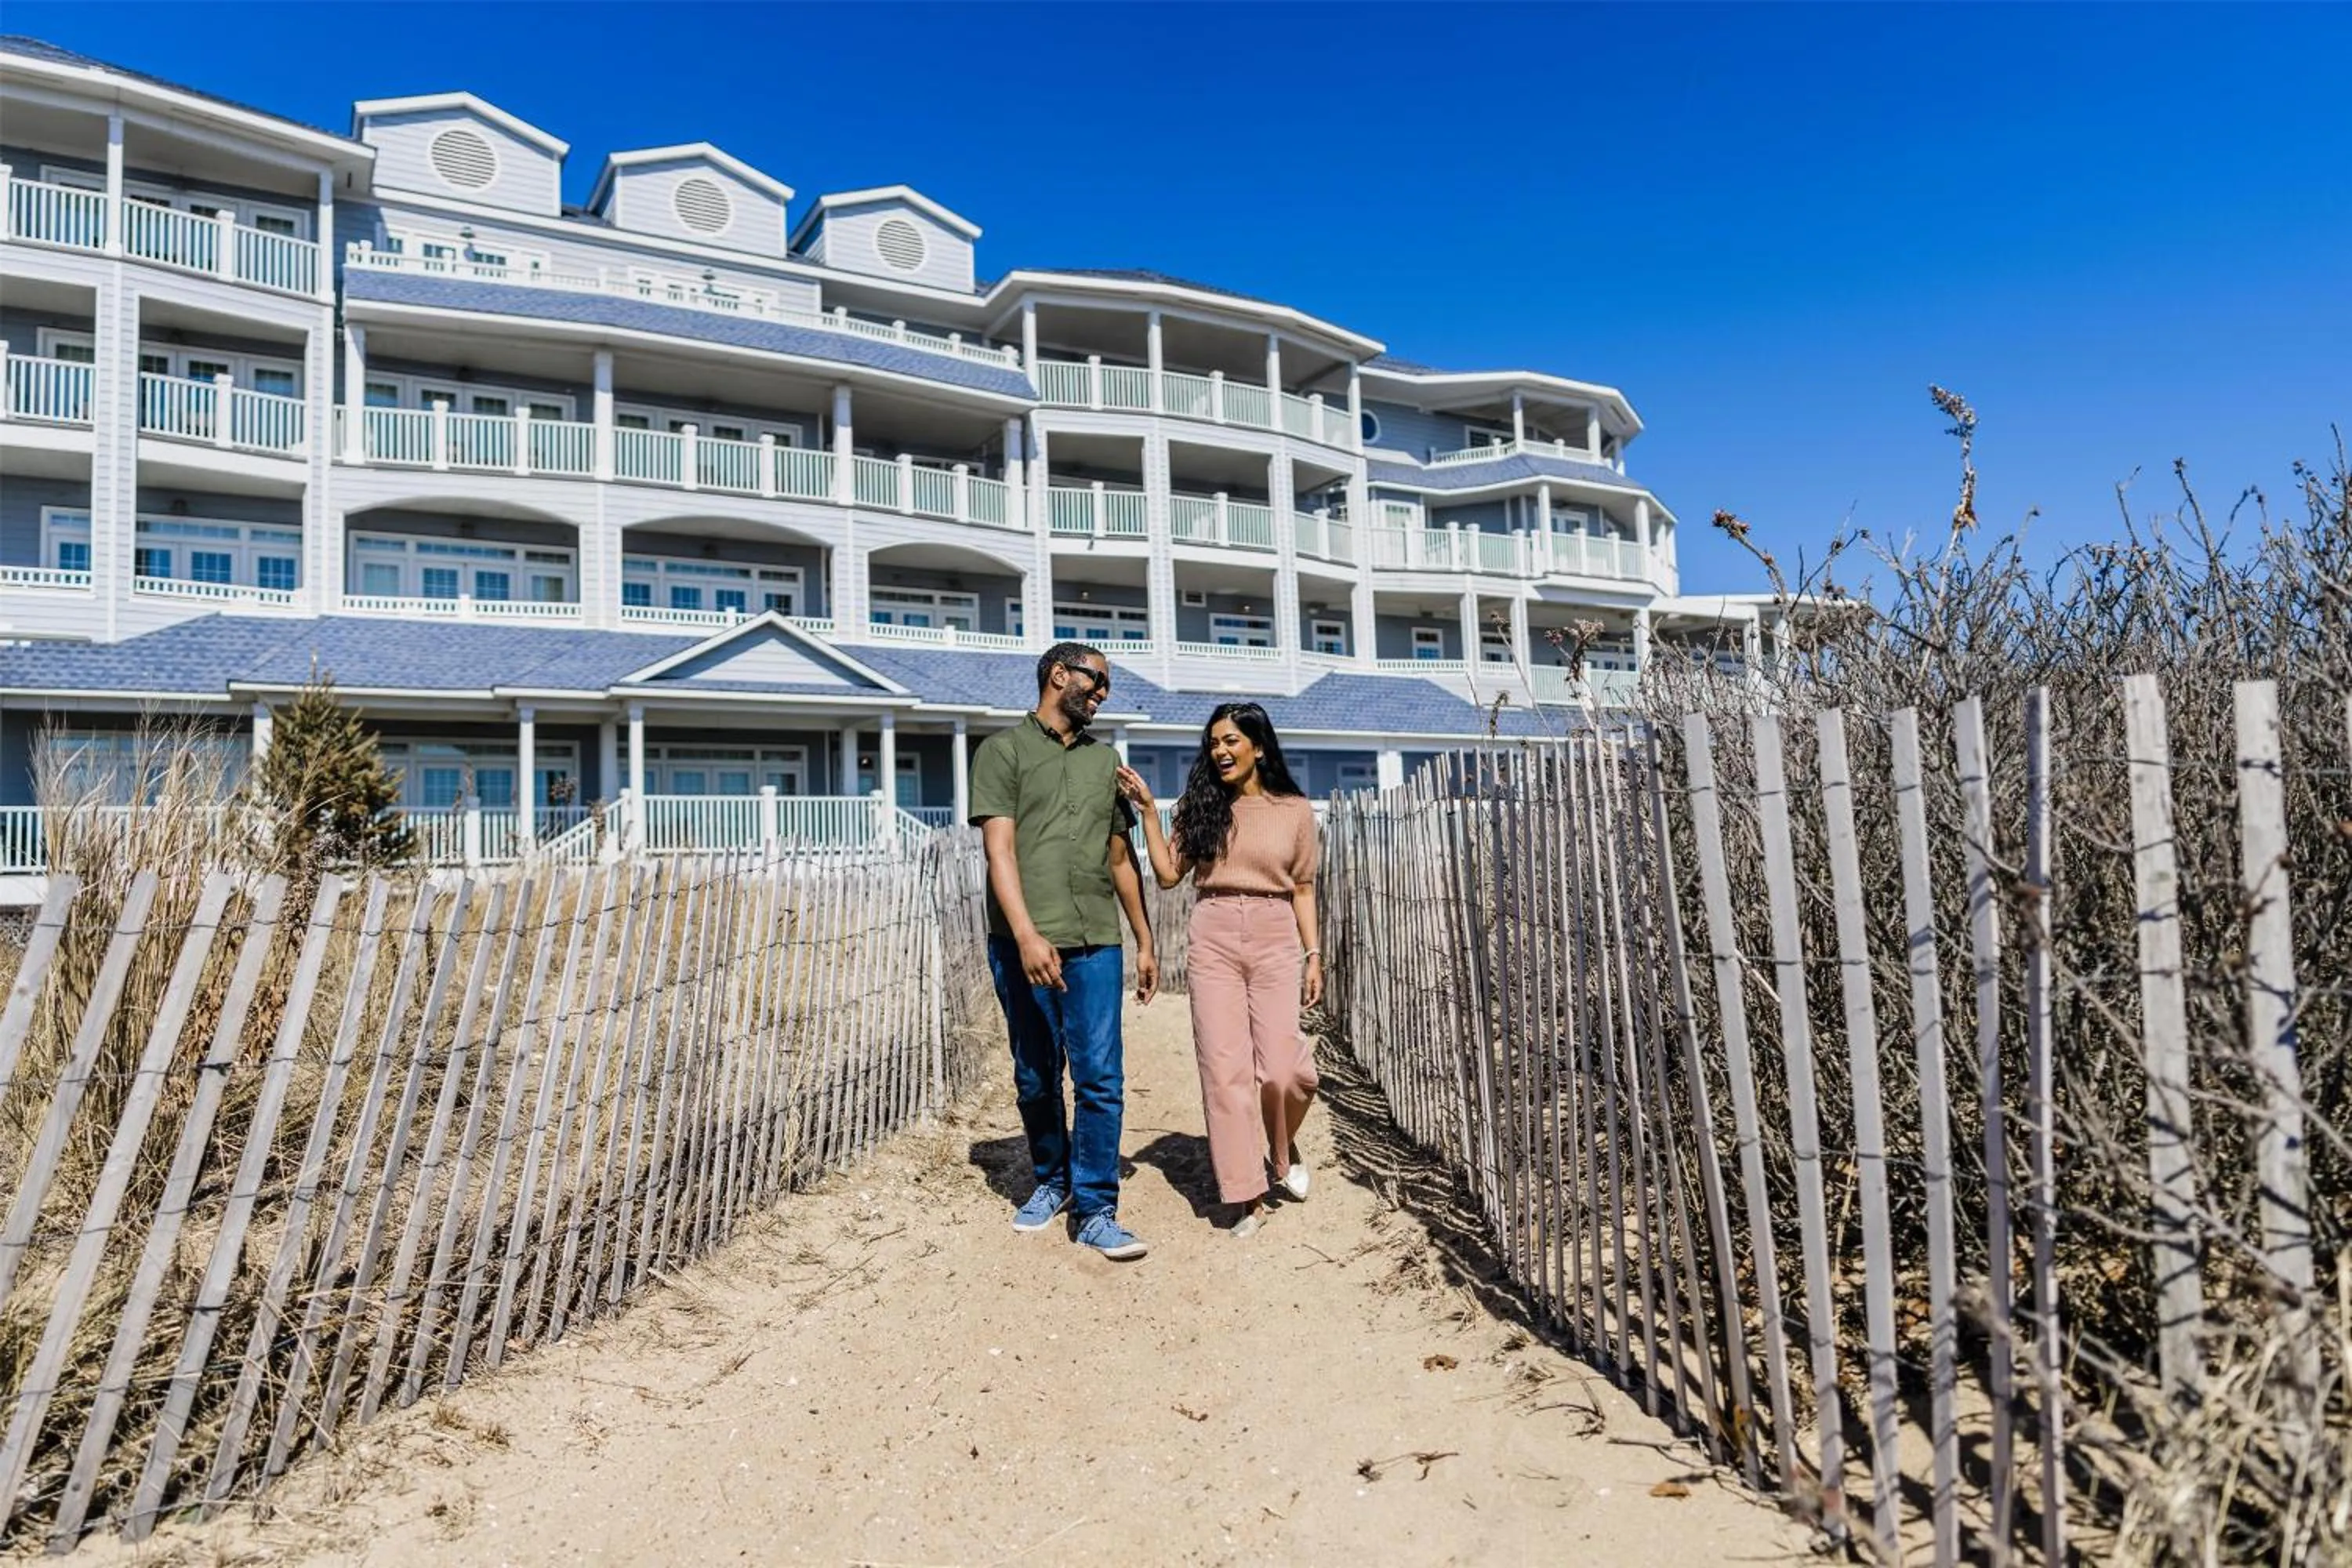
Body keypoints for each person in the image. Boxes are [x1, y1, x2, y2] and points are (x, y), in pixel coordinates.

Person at [968, 641, 1159, 1261]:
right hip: (1023, 943)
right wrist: (1025, 935)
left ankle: (1098, 1207)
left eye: (1105, 685)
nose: (1103, 693)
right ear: (1059, 675)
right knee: (1035, 1074)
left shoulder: (1107, 763)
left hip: (1096, 944)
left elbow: (1118, 857)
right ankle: (1052, 1182)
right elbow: (999, 851)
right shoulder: (1001, 752)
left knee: (1101, 1078)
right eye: (1097, 680)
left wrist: (1146, 938)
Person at [1116, 702, 1320, 1239]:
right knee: (1225, 1074)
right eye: (1213, 743)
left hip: (1276, 933)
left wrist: (1314, 954)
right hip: (1213, 934)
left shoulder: (1296, 810)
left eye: (1231, 741)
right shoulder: (1202, 806)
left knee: (1287, 1071)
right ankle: (1248, 1195)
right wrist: (1149, 814)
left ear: (1258, 746)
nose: (1221, 752)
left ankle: (1281, 1145)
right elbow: (1165, 875)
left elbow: (1302, 887)